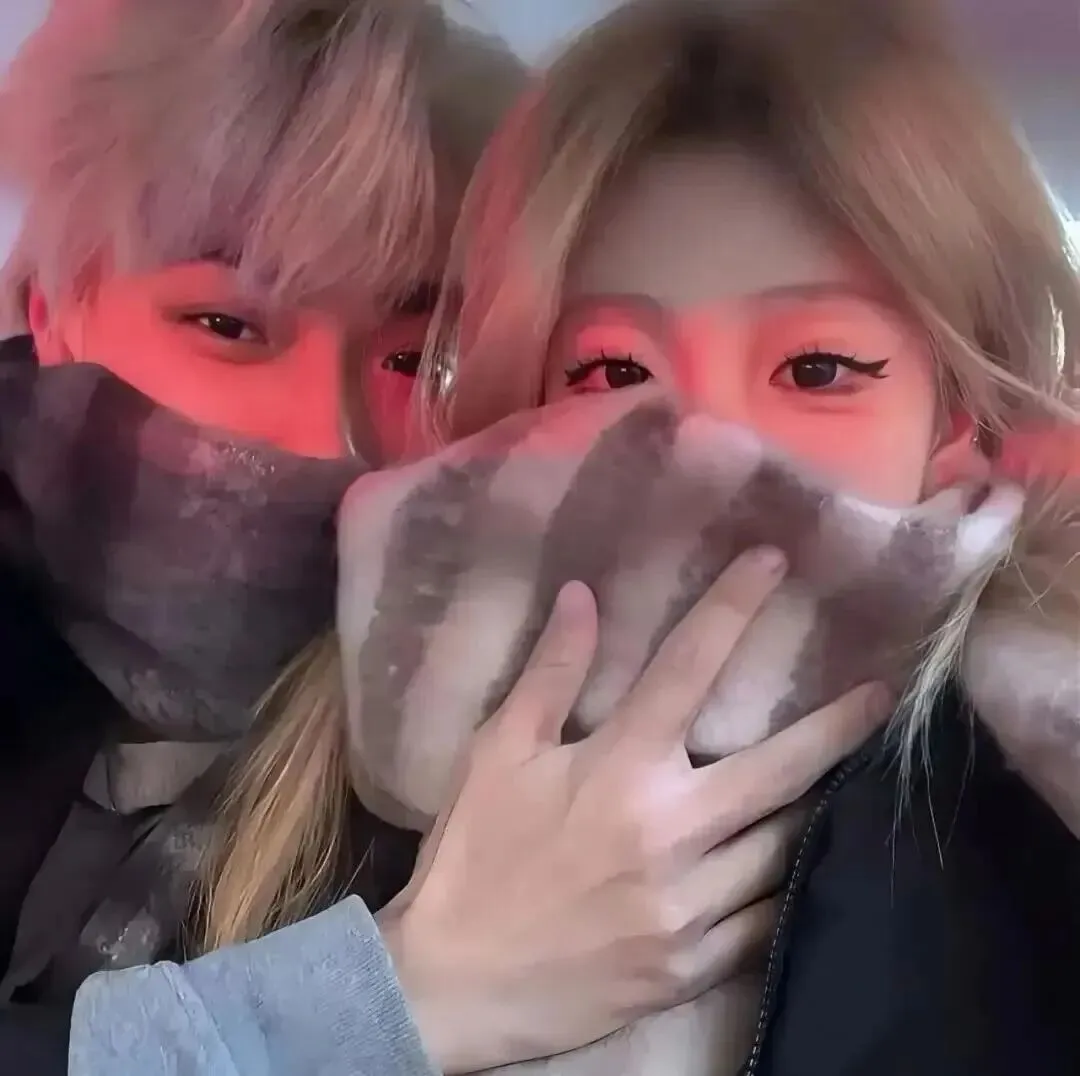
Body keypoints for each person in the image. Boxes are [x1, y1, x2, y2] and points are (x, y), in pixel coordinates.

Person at [142, 0, 1077, 1073]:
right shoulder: (328, 761)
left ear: (957, 419)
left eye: (817, 369)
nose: (704, 440)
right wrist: (416, 988)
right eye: (613, 371)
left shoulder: (1034, 793)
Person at [0, 0, 523, 1067]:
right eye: (227, 323)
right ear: (56, 308)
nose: (325, 430)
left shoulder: (500, 759)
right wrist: (386, 1000)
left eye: (411, 356)